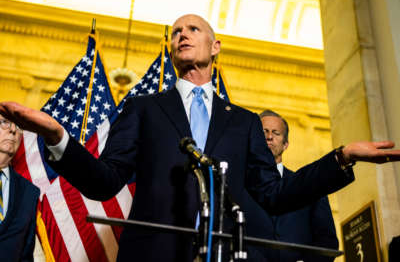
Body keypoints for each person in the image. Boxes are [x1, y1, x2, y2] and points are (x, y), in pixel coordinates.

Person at [1, 14, 400, 262]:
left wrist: (342, 157)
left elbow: (276, 193)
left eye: (193, 29)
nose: (182, 34)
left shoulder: (243, 122)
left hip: (225, 254)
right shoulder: (144, 108)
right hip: (153, 254)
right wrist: (58, 137)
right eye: (176, 32)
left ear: (215, 47)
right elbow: (105, 180)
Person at [260, 109, 338, 261]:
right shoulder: (240, 184)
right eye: (264, 131)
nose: (269, 137)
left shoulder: (310, 184)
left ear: (286, 144)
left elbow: (327, 241)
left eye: (276, 133)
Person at [0, 115, 40, 262]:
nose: (12, 130)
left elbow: (26, 254)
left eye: (18, 126)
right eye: (4, 122)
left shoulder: (30, 192)